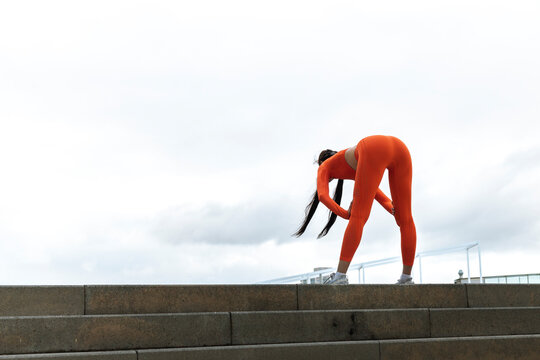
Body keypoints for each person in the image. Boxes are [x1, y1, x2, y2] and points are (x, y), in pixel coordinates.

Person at [294, 135, 416, 285]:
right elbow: (378, 194)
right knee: (405, 219)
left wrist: (347, 215)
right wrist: (392, 208)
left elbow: (322, 196)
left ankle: (340, 276)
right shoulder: (352, 164)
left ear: (320, 163)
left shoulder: (323, 167)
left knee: (358, 217)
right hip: (400, 147)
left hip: (373, 146)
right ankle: (406, 278)